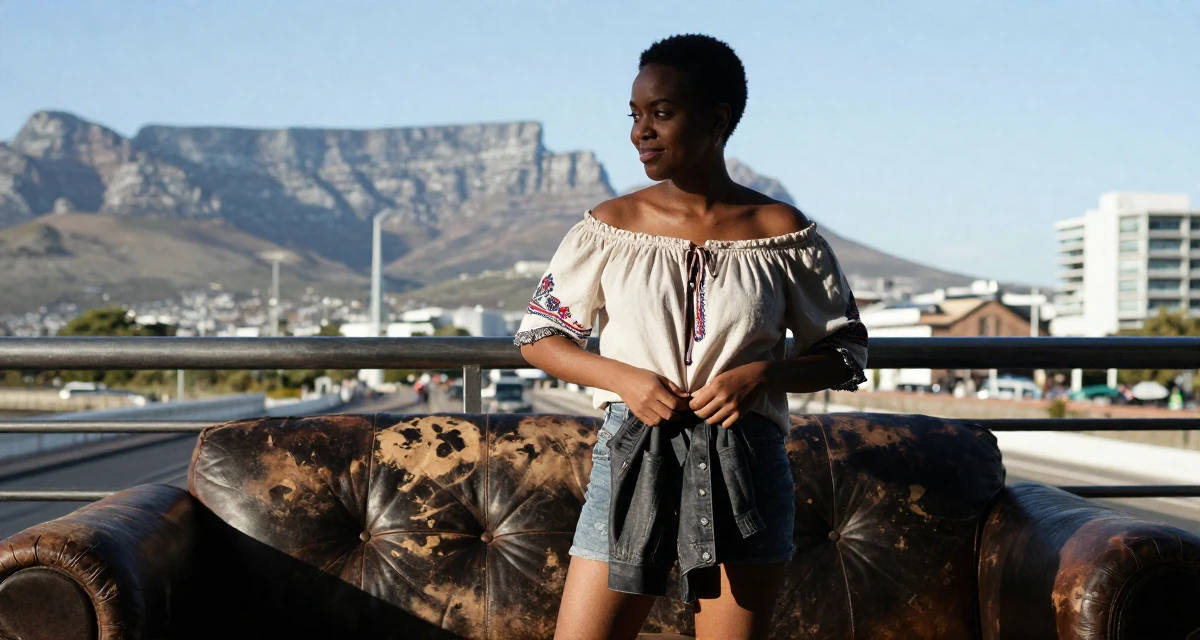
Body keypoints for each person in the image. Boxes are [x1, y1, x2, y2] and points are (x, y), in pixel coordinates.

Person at [515, 34, 868, 640]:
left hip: (745, 465)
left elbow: (845, 352)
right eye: (634, 114)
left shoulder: (781, 232)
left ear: (717, 120)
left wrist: (763, 376)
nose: (641, 132)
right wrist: (624, 379)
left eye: (662, 112)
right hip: (631, 455)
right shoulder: (609, 227)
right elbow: (540, 337)